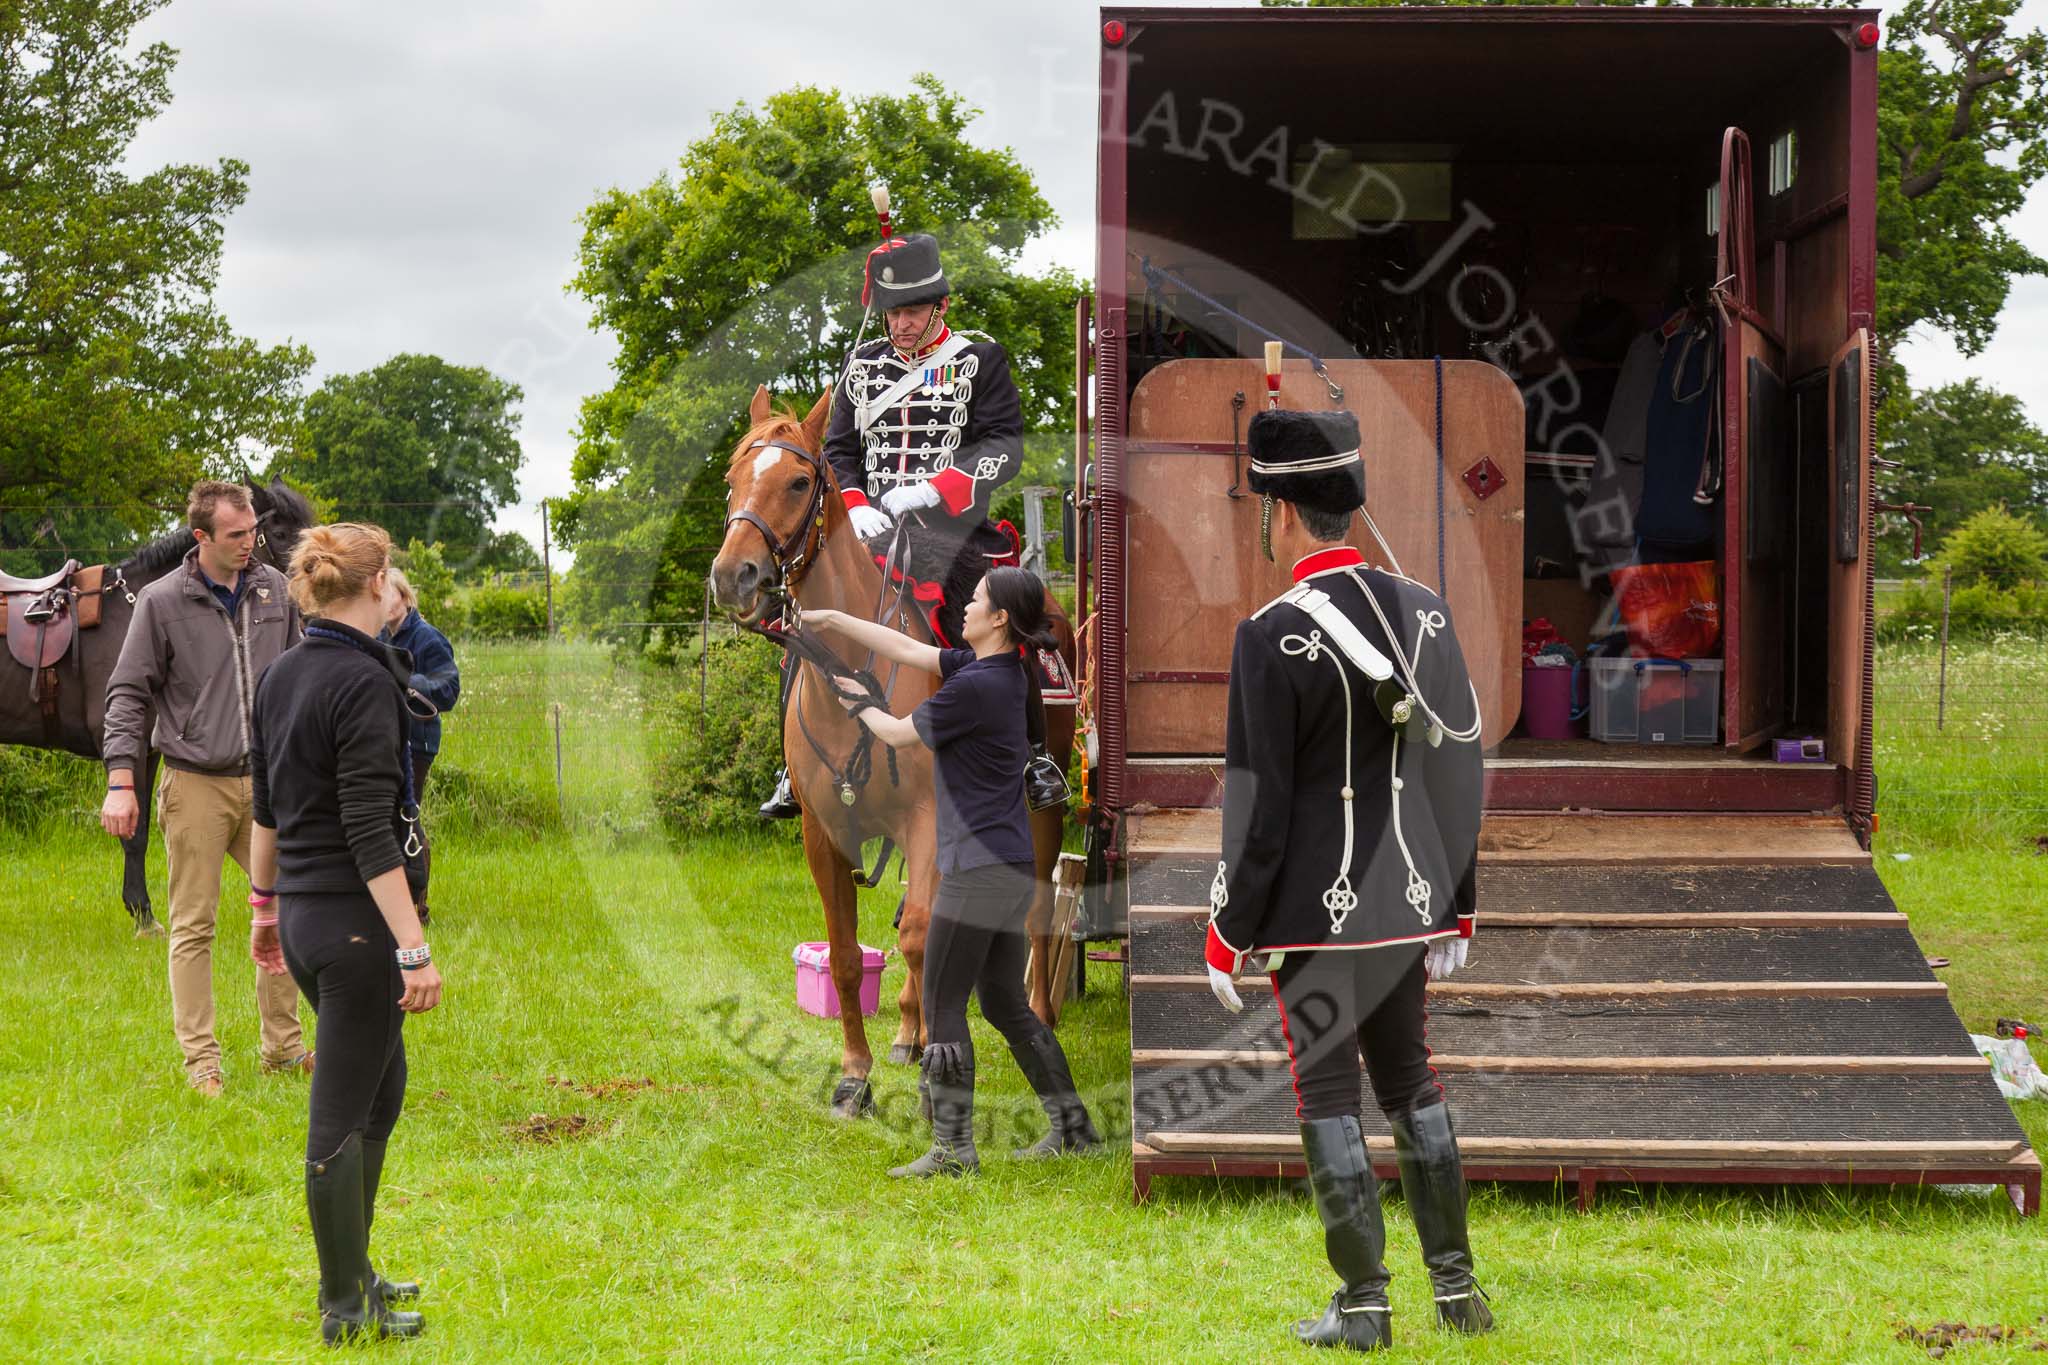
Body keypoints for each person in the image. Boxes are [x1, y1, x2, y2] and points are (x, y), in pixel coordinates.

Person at [1202, 409, 1492, 1352]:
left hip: (1312, 917)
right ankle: (1458, 1293)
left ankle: (1365, 1306)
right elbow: (1461, 769)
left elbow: (1261, 809)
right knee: (1412, 1081)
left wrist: (1228, 927)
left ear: (1282, 510)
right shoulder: (1429, 613)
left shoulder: (1268, 634)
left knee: (1325, 1097)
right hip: (1407, 902)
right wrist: (1458, 905)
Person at [760, 228, 1066, 819]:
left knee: (994, 623)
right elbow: (841, 449)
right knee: (803, 621)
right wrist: (858, 505)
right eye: (891, 312)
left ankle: (1032, 757)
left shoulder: (980, 358)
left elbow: (1005, 447)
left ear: (941, 306)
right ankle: (789, 766)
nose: (900, 324)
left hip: (951, 532)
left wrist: (932, 488)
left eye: (912, 311)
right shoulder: (861, 365)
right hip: (867, 529)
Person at [803, 566, 1099, 1177]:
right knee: (1003, 1002)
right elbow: (908, 648)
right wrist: (832, 622)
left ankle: (952, 1148)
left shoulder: (973, 690)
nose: (965, 605)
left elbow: (893, 732)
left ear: (998, 620)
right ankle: (1074, 1127)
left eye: (978, 600)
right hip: (1009, 863)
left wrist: (852, 695)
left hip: (974, 869)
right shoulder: (1003, 671)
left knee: (940, 1002)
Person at [247, 522, 443, 1345]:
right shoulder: (363, 682)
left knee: (381, 1091)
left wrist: (264, 905)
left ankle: (355, 1268)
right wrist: (414, 945)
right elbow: (369, 825)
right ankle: (343, 1308)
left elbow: (265, 803)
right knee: (339, 1115)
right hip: (356, 931)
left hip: (304, 911)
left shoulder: (283, 672)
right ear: (374, 584)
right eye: (392, 571)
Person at [100, 479, 310, 1095]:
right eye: (237, 535)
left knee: (290, 905)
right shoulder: (161, 603)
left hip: (269, 785)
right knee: (194, 926)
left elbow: (301, 671)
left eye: (253, 532)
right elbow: (127, 693)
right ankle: (202, 1063)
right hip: (194, 784)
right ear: (201, 537)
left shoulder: (275, 589)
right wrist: (121, 781)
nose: (251, 544)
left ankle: (284, 1048)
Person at [379, 567, 459, 925]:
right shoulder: (379, 636)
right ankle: (393, 901)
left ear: (405, 598)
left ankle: (417, 906)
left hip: (417, 741)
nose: (383, 602)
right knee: (388, 815)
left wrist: (408, 679)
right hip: (385, 737)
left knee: (407, 815)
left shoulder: (428, 639)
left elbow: (449, 690)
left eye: (389, 594)